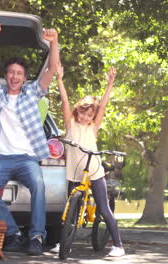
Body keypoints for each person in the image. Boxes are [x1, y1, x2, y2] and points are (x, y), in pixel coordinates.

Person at [0, 22, 59, 256]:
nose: (14, 76)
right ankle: (13, 233)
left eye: (19, 74)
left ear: (24, 78)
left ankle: (36, 236)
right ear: (6, 75)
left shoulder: (33, 93)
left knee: (39, 187)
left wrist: (53, 42)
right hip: (1, 158)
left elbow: (52, 68)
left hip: (27, 159)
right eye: (11, 72)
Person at [55, 62, 125, 257]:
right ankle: (61, 242)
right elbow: (64, 101)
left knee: (103, 208)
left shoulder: (92, 128)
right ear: (77, 111)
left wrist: (110, 84)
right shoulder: (70, 125)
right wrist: (60, 80)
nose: (86, 117)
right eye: (83, 113)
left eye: (89, 115)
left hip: (93, 170)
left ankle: (118, 245)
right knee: (69, 209)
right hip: (75, 171)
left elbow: (102, 106)